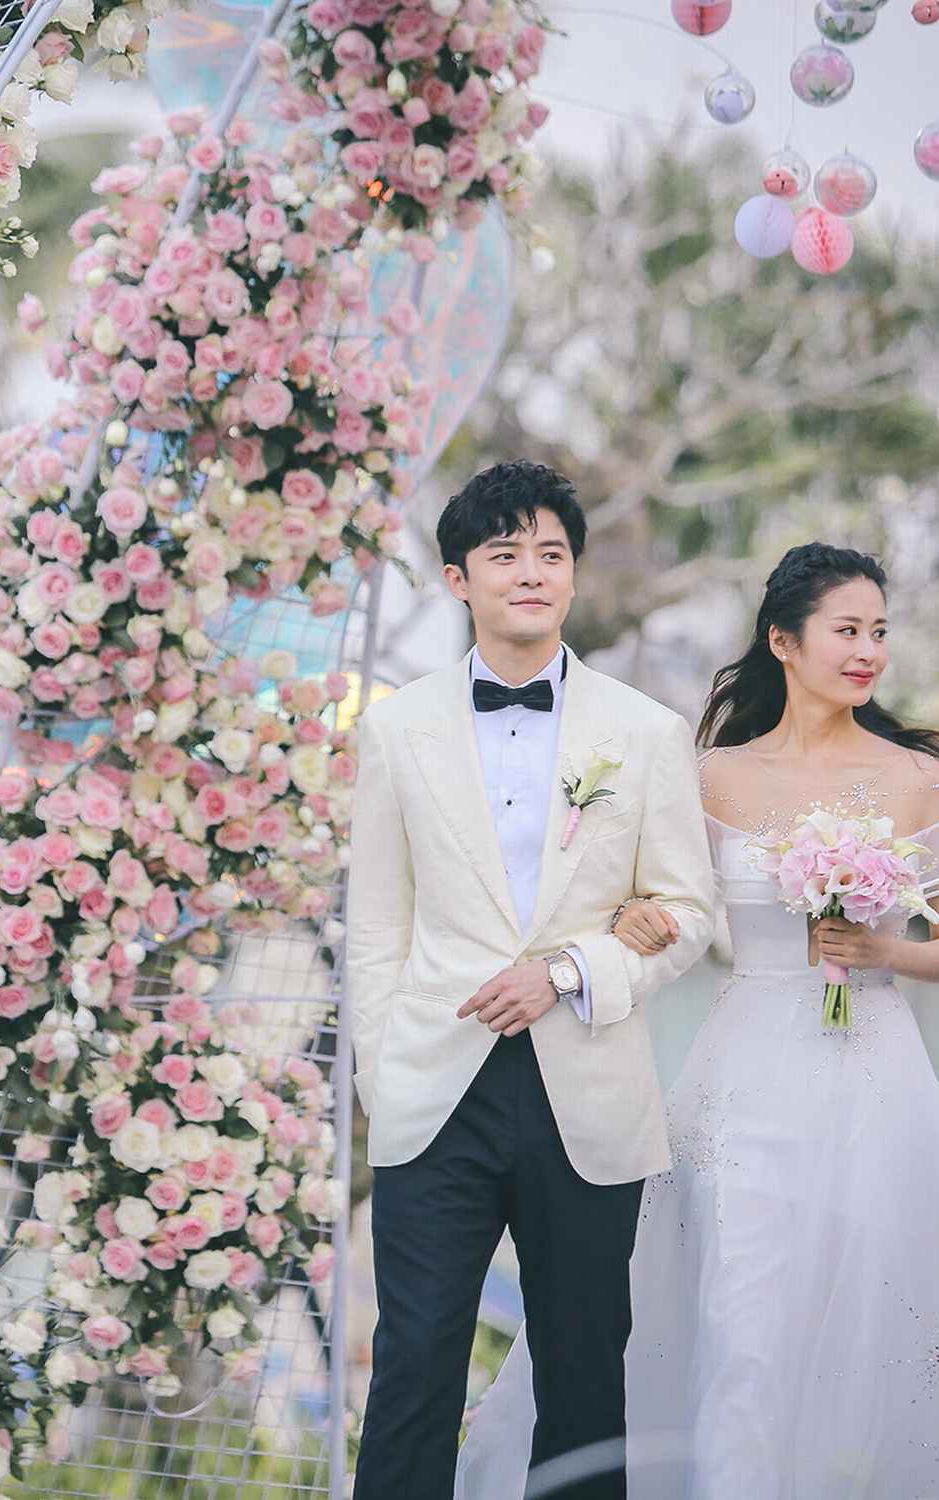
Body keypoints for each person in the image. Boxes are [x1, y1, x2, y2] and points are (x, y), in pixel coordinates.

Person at [457, 543, 939, 1497]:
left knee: (868, 1325)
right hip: (745, 1072)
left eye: (879, 633)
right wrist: (633, 915)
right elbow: (652, 898)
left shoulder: (917, 778)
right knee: (743, 1317)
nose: (868, 652)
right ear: (783, 640)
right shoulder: (711, 775)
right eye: (846, 630)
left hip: (876, 1077)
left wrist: (881, 951)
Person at [346, 462, 717, 1499]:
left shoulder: (645, 732)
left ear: (575, 574)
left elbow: (689, 915)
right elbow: (375, 929)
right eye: (504, 554)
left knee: (585, 1376)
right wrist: (385, 1074)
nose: (531, 573)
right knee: (414, 1368)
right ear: (458, 578)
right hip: (436, 1090)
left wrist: (567, 971)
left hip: (587, 1089)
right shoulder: (396, 728)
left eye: (551, 554)